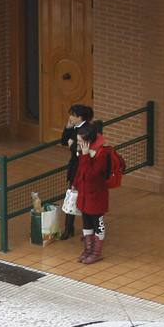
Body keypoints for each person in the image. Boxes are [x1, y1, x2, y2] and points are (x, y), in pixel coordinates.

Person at [72, 122, 114, 265]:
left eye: (80, 141)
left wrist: (84, 156)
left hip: (96, 196)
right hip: (84, 194)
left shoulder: (101, 155)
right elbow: (80, 172)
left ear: (88, 142)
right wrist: (74, 185)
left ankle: (96, 253)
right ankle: (88, 250)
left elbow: (91, 175)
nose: (78, 143)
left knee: (98, 224)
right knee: (86, 223)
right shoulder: (84, 153)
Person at [59, 103, 93, 240]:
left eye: (73, 115)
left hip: (84, 168)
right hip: (75, 168)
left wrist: (72, 145)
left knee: (85, 200)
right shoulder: (74, 128)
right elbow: (63, 141)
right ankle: (68, 227)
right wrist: (67, 129)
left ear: (80, 117)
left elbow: (79, 149)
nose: (70, 117)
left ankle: (89, 230)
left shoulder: (88, 130)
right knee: (71, 197)